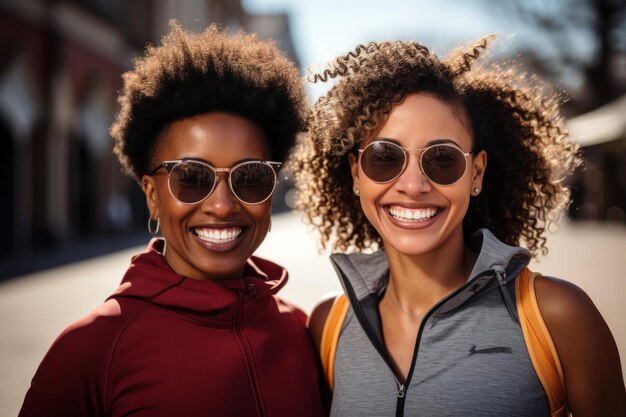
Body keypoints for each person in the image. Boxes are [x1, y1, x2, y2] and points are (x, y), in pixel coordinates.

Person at [293, 37, 626, 416]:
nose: (414, 185)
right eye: (385, 157)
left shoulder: (558, 316)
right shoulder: (328, 327)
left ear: (476, 173)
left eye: (442, 159)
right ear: (356, 173)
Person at [19, 22, 325, 417]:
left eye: (249, 177)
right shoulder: (91, 352)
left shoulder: (298, 330)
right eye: (192, 178)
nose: (222, 205)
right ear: (152, 196)